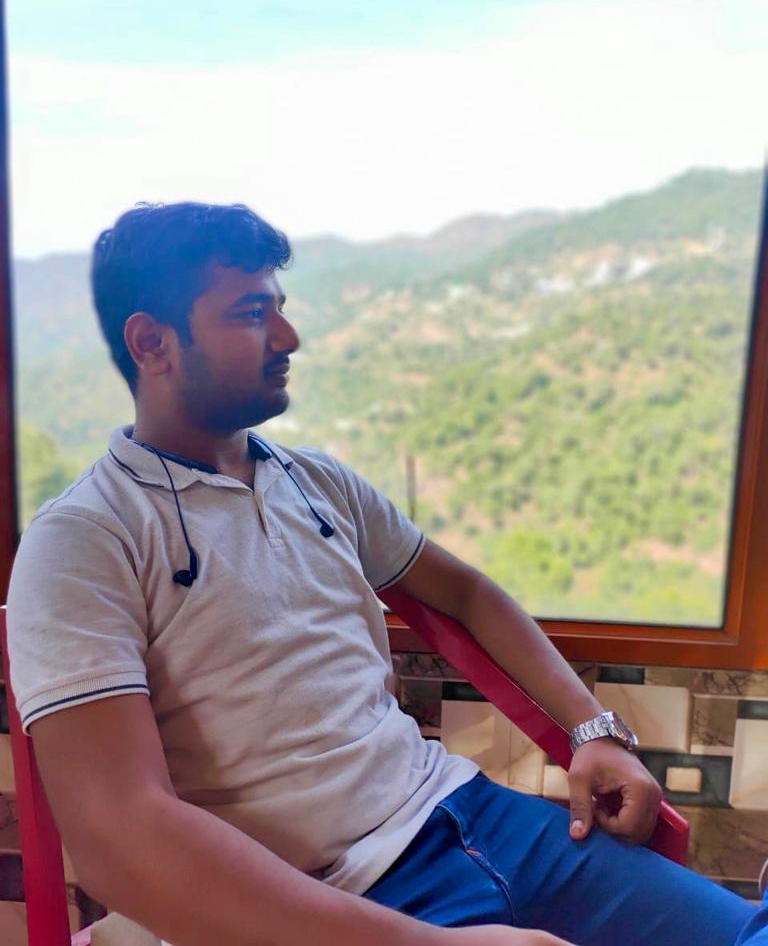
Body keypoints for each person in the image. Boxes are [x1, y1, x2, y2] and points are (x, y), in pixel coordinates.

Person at [6, 202, 757, 946]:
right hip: (332, 899)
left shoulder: (315, 482)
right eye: (252, 314)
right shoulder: (85, 539)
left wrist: (594, 732)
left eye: (280, 309)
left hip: (472, 818)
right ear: (153, 343)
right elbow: (119, 836)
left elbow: (466, 593)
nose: (288, 337)